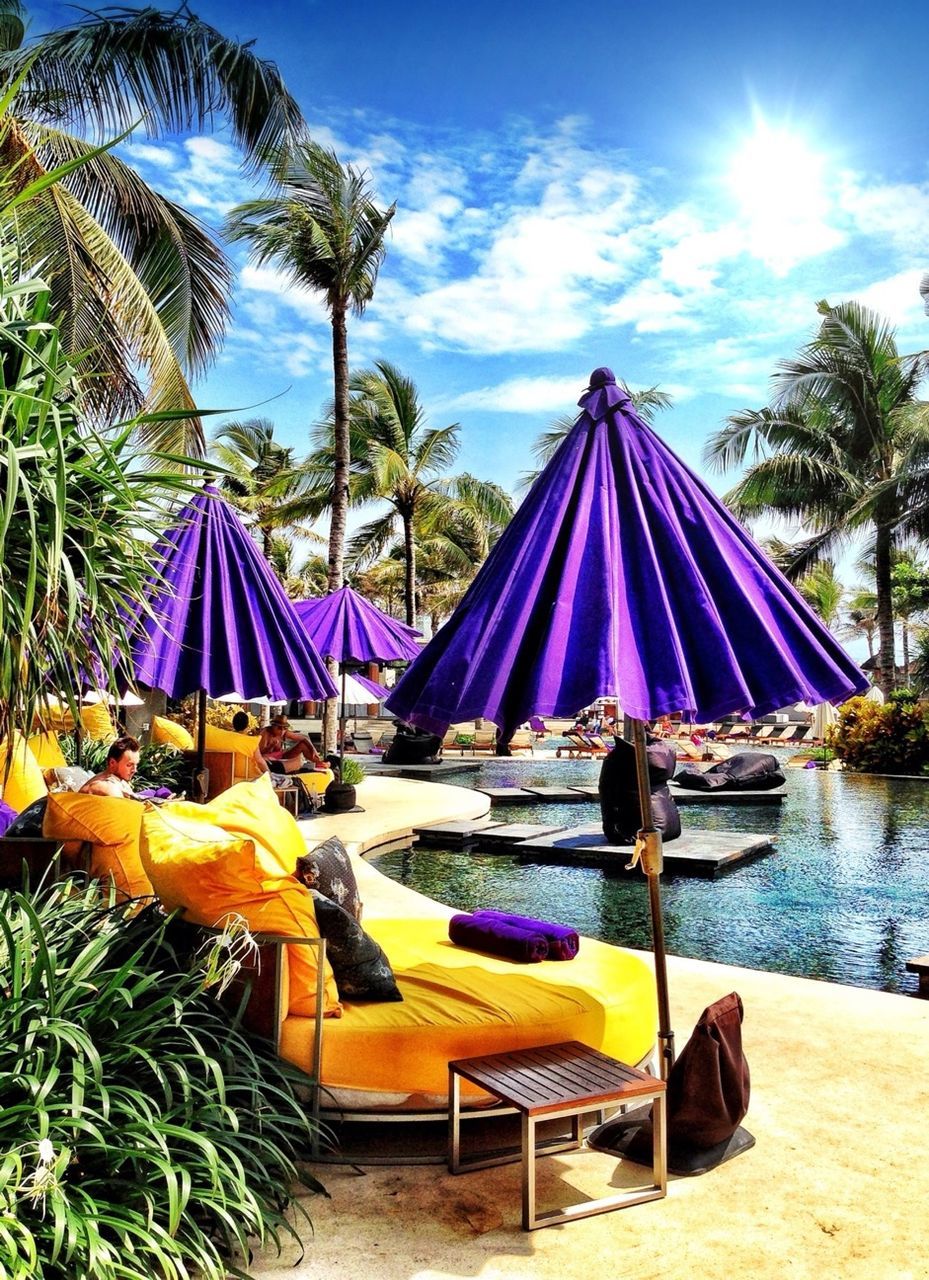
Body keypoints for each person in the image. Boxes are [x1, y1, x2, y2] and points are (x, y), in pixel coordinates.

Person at [254, 716, 323, 775]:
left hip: (281, 757)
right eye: (279, 728)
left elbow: (304, 738)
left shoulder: (284, 732)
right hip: (268, 761)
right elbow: (259, 754)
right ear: (273, 726)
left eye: (284, 728)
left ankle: (319, 763)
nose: (282, 731)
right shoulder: (265, 733)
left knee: (303, 745)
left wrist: (312, 749)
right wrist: (271, 746)